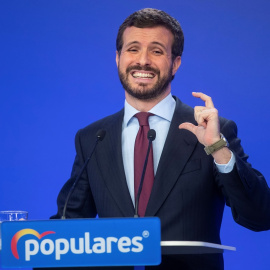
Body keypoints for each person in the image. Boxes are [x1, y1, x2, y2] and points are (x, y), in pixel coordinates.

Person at [51, 8, 270, 270]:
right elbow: (67, 230)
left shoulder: (214, 132)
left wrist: (218, 148)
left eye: (156, 51)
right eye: (132, 49)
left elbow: (259, 216)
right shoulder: (92, 138)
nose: (142, 61)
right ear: (118, 58)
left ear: (175, 62)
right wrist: (22, 243)